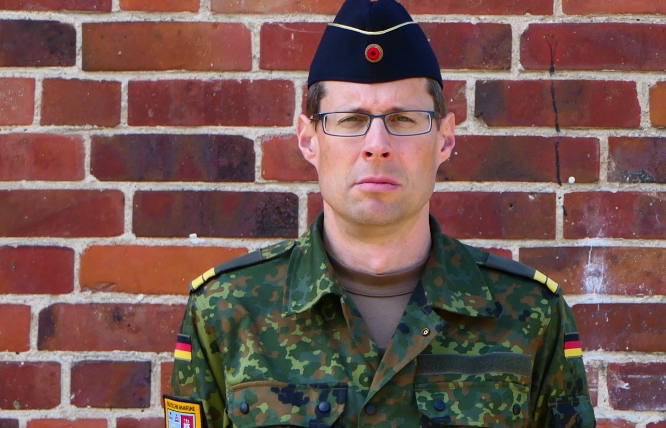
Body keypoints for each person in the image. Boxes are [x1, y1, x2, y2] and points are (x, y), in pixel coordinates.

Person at [164, 0, 596, 426]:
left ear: (444, 139)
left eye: (404, 119)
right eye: (351, 120)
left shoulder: (530, 313)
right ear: (308, 139)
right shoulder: (228, 311)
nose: (376, 143)